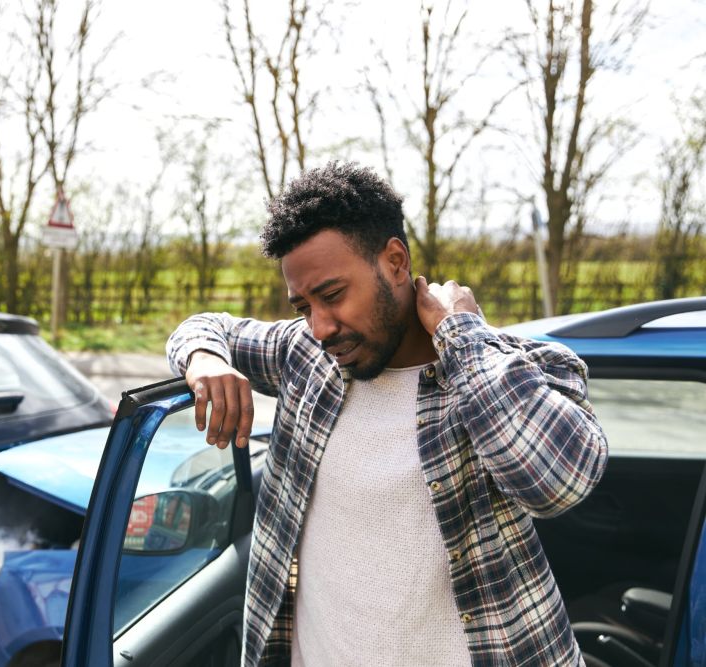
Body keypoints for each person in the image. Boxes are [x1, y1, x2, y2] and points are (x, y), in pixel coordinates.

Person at [165, 161, 608, 666]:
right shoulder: (305, 357)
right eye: (303, 306)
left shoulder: (516, 367)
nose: (320, 326)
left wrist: (461, 335)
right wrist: (204, 359)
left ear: (395, 261)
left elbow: (558, 481)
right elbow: (201, 326)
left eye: (332, 295)